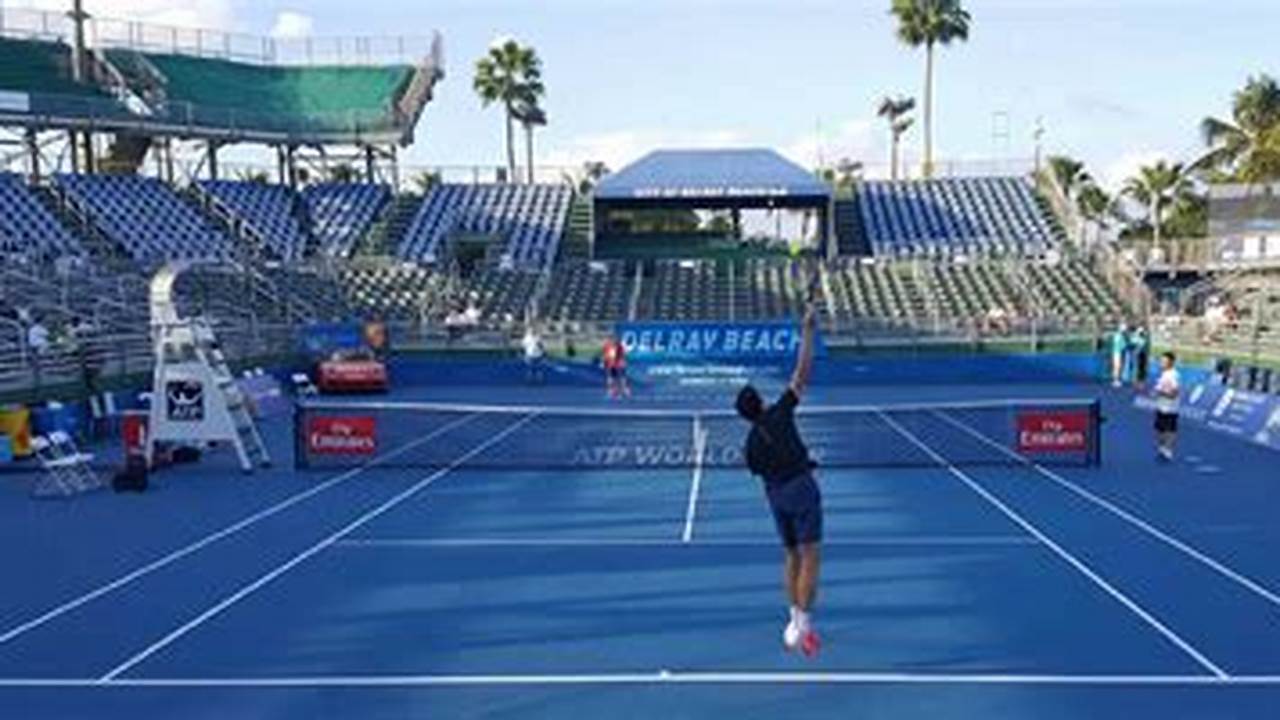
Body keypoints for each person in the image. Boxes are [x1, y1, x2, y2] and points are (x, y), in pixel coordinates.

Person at [736, 301, 822, 657]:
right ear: (761, 401)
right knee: (811, 556)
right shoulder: (782, 412)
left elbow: (758, 471)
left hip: (775, 496)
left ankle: (793, 616)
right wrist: (807, 330)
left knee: (790, 555)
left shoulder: (750, 444)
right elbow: (802, 371)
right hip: (802, 489)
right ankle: (801, 623)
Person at [1153, 351, 1181, 462]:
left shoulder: (1173, 375)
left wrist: (1161, 393)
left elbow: (1174, 393)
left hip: (1171, 408)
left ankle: (1168, 451)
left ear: (1171, 362)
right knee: (1160, 429)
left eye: (1164, 361)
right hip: (1161, 406)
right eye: (1161, 360)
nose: (1161, 363)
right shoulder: (1163, 374)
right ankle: (1162, 449)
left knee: (1169, 430)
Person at [602, 333, 630, 398]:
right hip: (613, 364)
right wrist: (604, 362)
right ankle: (612, 391)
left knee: (621, 377)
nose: (614, 340)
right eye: (612, 339)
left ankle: (624, 391)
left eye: (615, 339)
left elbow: (623, 354)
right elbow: (606, 355)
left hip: (618, 364)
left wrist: (622, 361)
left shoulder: (619, 345)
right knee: (611, 377)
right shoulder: (607, 346)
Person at [1109, 323, 1129, 388]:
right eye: (1124, 329)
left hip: (1115, 352)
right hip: (1117, 352)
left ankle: (1115, 380)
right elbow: (1123, 345)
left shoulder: (1116, 335)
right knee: (1117, 367)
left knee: (1116, 367)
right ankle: (1115, 381)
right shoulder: (1120, 336)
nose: (1125, 330)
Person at [1132, 326, 1151, 391]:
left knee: (1141, 369)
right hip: (1141, 355)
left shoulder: (1143, 338)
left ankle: (1139, 383)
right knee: (1141, 369)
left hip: (1142, 354)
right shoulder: (1141, 338)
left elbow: (1135, 343)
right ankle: (1139, 383)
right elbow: (1136, 343)